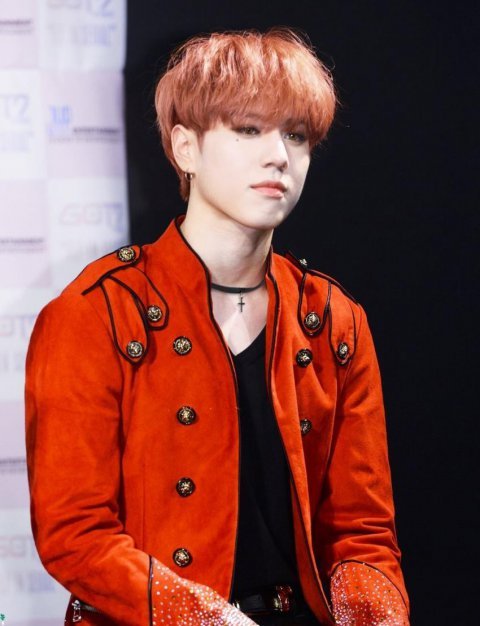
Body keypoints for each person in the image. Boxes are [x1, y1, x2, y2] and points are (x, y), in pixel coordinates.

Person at [25, 28, 410, 626]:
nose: (278, 156)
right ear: (185, 148)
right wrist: (207, 618)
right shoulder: (96, 312)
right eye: (249, 130)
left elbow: (362, 536)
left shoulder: (334, 321)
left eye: (296, 135)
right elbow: (75, 534)